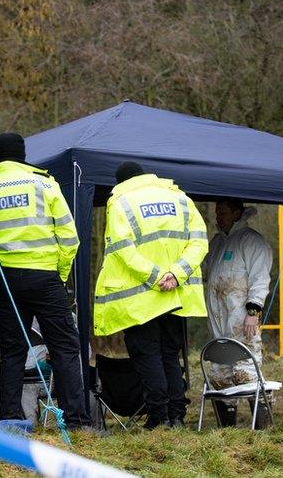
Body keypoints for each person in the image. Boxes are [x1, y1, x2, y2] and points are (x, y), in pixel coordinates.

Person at [0, 132, 91, 429]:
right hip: (46, 278)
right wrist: (58, 275)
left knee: (12, 351)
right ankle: (75, 419)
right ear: (23, 155)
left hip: (7, 281)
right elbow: (70, 239)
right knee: (65, 348)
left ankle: (11, 418)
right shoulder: (46, 184)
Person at [94, 161, 209, 428]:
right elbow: (199, 241)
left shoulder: (121, 203)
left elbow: (123, 249)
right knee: (170, 356)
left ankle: (158, 418)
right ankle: (177, 416)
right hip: (176, 296)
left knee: (148, 356)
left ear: (120, 182)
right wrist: (177, 274)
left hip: (141, 298)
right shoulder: (180, 198)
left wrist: (156, 276)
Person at [202, 198, 273, 428]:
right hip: (218, 322)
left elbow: (260, 278)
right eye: (216, 212)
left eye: (222, 211)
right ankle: (227, 430)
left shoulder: (251, 241)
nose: (217, 217)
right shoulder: (216, 244)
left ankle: (262, 429)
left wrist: (253, 310)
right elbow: (205, 273)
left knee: (247, 371)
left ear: (236, 213)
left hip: (242, 322)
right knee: (220, 375)